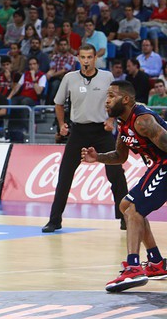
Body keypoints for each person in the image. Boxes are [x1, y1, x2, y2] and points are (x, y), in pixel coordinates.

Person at [81, 80, 167, 293]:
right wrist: (97, 157)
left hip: (165, 166)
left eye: (111, 96)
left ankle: (134, 266)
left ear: (126, 99)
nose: (106, 101)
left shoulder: (143, 121)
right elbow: (120, 156)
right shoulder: (123, 122)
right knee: (126, 206)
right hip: (158, 166)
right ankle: (156, 263)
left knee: (133, 209)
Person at [42, 44, 128, 233]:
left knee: (116, 174)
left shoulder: (107, 77)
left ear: (95, 58)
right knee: (64, 175)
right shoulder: (69, 78)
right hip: (78, 131)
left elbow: (117, 101)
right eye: (83, 57)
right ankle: (54, 220)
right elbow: (58, 103)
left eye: (89, 57)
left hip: (101, 132)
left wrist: (111, 119)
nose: (86, 61)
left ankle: (125, 218)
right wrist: (62, 123)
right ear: (78, 58)